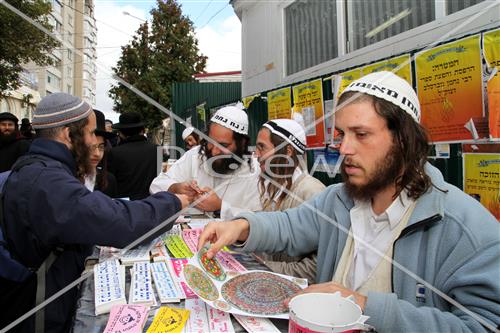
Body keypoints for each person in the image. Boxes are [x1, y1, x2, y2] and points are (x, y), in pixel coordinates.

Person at [198, 72, 500, 332]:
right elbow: (289, 225)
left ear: (404, 140)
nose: (344, 148)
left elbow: (482, 325)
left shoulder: (465, 229)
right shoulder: (339, 200)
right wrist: (240, 227)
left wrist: (366, 307)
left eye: (362, 134)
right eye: (341, 134)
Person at [0, 93, 188, 333]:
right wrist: (174, 202)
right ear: (69, 134)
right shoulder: (48, 182)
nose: (96, 143)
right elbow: (119, 222)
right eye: (90, 133)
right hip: (37, 313)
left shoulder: (38, 167)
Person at [150, 106, 262, 219]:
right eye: (210, 142)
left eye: (223, 145)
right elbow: (156, 185)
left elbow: (259, 221)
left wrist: (221, 207)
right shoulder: (196, 156)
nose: (214, 151)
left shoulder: (254, 171)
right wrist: (175, 188)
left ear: (242, 144)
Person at [255, 119, 324, 281]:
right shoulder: (274, 188)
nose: (256, 154)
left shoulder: (312, 192)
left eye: (262, 147)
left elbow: (315, 269)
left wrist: (262, 267)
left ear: (287, 151)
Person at [108, 112, 159, 200]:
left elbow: (109, 181)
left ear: (121, 133)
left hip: (125, 205)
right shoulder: (156, 149)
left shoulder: (115, 152)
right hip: (152, 202)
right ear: (141, 130)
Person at [85, 109, 118, 197]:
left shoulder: (109, 180)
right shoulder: (64, 179)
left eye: (101, 147)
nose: (97, 153)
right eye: (90, 147)